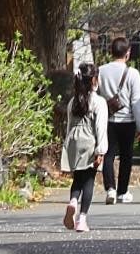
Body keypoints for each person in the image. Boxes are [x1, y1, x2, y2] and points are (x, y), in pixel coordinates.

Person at [96, 36, 140, 204]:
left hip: (107, 119)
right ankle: (122, 192)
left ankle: (110, 188)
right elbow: (137, 102)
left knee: (108, 154)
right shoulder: (132, 73)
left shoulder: (101, 71)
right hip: (127, 120)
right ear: (128, 53)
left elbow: (95, 96)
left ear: (111, 51)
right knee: (126, 156)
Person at [61, 62, 108, 233]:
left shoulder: (73, 101)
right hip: (89, 141)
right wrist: (101, 150)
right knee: (89, 180)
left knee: (77, 178)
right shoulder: (99, 102)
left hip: (73, 142)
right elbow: (101, 128)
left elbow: (68, 125)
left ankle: (73, 201)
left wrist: (67, 147)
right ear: (94, 80)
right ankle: (82, 219)